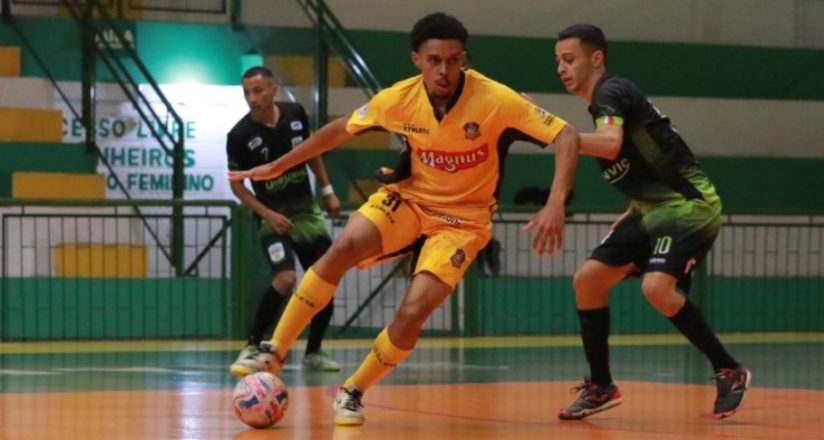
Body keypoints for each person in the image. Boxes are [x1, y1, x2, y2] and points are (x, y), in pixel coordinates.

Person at [229, 13, 580, 426]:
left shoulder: (496, 99)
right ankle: (274, 349)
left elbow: (567, 135)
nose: (444, 70)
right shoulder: (398, 98)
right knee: (341, 247)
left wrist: (555, 202)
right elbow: (338, 131)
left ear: (463, 59)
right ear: (417, 59)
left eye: (453, 60)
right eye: (434, 60)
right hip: (409, 200)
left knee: (413, 312)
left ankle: (353, 390)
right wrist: (276, 168)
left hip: (462, 222)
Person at [550, 24, 750, 420]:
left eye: (568, 59)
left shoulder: (610, 91)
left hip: (689, 205)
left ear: (596, 58)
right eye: (557, 61)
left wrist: (555, 131)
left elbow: (608, 144)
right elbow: (644, 161)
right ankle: (601, 386)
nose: (561, 68)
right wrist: (630, 209)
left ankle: (729, 369)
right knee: (587, 281)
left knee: (656, 287)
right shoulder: (609, 104)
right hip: (648, 209)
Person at [226, 66, 342, 374]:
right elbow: (236, 184)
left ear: (273, 90)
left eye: (258, 91)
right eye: (247, 92)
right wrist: (268, 214)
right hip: (272, 219)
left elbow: (312, 151)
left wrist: (328, 190)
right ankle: (252, 345)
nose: (252, 98)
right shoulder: (238, 136)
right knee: (286, 279)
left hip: (307, 214)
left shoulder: (294, 114)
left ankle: (314, 352)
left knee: (325, 278)